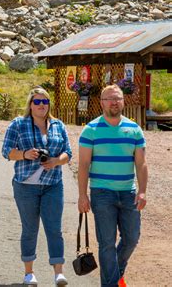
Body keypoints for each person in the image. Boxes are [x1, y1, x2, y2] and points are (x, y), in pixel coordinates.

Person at [78, 84, 147, 287]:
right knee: (106, 243)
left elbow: (141, 163)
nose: (114, 102)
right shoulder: (90, 130)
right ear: (101, 102)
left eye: (117, 98)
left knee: (132, 238)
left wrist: (142, 191)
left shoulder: (134, 129)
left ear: (123, 101)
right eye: (109, 98)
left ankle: (115, 274)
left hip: (129, 192)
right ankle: (111, 284)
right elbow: (83, 165)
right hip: (102, 193)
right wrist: (83, 195)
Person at [2, 87, 72, 286]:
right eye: (37, 102)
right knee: (30, 229)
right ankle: (29, 273)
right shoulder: (19, 124)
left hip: (52, 184)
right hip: (25, 186)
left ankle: (58, 272)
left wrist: (56, 161)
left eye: (45, 102)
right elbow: (6, 151)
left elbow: (68, 153)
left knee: (54, 228)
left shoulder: (58, 125)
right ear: (30, 105)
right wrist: (25, 154)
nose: (42, 105)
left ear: (49, 104)